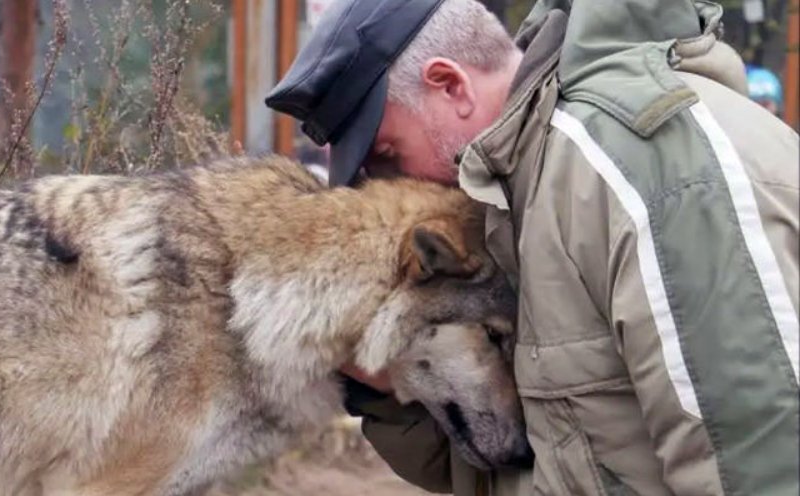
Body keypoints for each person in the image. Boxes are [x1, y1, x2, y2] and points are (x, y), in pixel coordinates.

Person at [265, 0, 800, 494]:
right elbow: (526, 470)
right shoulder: (519, 197)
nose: (388, 188)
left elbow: (756, 462)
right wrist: (387, 384)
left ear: (450, 85)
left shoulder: (643, 169)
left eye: (387, 156)